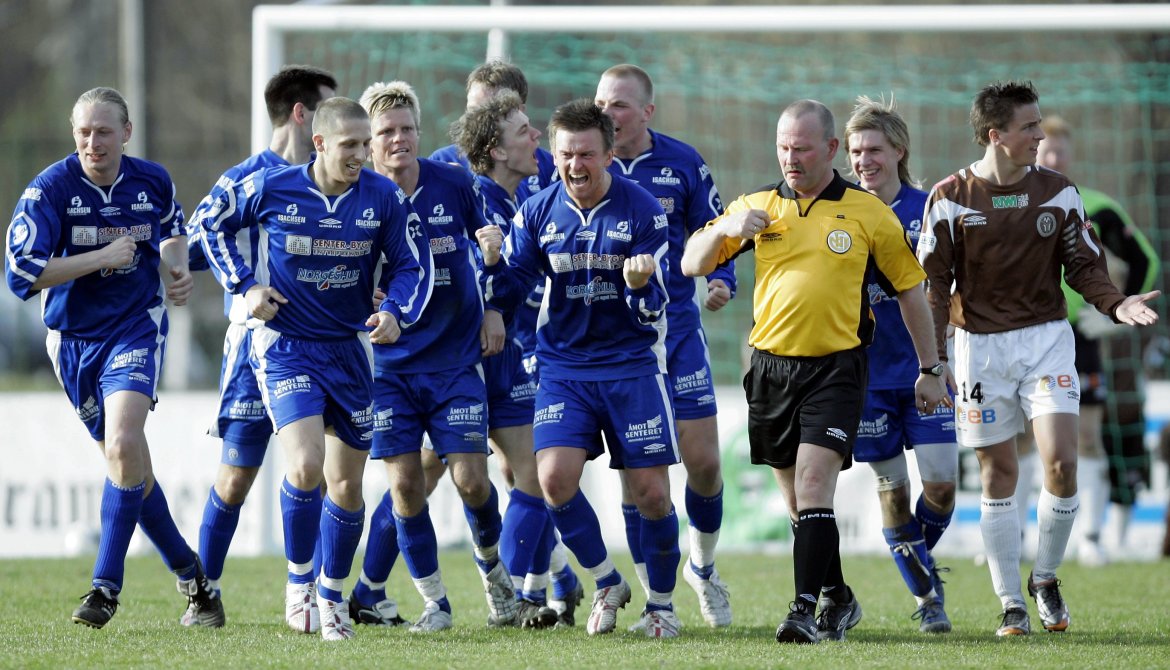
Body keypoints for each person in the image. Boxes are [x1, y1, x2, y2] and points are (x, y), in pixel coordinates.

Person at [681, 99, 949, 645]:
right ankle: (839, 598)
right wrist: (729, 226)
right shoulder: (757, 205)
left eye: (801, 148)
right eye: (783, 148)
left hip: (837, 369)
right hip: (770, 369)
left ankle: (804, 609)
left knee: (812, 484)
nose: (791, 158)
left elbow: (910, 294)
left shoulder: (868, 212)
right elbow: (692, 262)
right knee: (797, 502)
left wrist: (931, 367)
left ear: (830, 149)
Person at [917, 80, 1160, 637]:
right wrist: (932, 364)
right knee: (998, 473)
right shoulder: (950, 197)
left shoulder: (1058, 191)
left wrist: (1116, 305)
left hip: (1047, 338)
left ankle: (1045, 577)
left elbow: (1085, 266)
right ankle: (1011, 604)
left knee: (1061, 463)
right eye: (1029, 126)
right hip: (978, 349)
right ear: (995, 134)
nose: (1039, 134)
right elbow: (932, 287)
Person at [200, 96, 432, 640]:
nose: (361, 154)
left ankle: (331, 594)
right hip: (286, 345)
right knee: (305, 467)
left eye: (365, 144)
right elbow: (208, 222)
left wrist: (395, 313)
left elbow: (411, 264)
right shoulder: (271, 186)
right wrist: (245, 286)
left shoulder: (383, 197)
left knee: (347, 485)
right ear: (320, 143)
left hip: (349, 350)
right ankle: (299, 586)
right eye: (350, 145)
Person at [5, 86, 218, 629]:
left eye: (104, 131)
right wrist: (98, 256)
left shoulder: (153, 181)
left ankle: (104, 588)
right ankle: (195, 579)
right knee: (130, 468)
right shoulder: (50, 190)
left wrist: (175, 268)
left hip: (135, 329)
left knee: (124, 444)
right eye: (83, 132)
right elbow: (21, 276)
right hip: (73, 341)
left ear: (126, 133)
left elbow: (174, 234)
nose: (93, 142)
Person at [476, 99, 683, 638]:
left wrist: (640, 286)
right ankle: (606, 581)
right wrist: (495, 266)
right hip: (564, 367)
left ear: (610, 154)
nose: (574, 165)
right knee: (553, 479)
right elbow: (512, 289)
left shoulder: (643, 211)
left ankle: (661, 607)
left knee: (652, 494)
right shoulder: (536, 211)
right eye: (565, 154)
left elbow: (661, 302)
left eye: (586, 154)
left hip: (632, 365)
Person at [356, 81, 515, 633]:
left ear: (418, 133)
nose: (397, 139)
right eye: (385, 132)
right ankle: (434, 603)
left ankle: (496, 576)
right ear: (369, 143)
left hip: (453, 361)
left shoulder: (453, 182)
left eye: (405, 129)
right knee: (404, 486)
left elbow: (494, 251)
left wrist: (493, 291)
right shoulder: (359, 198)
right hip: (390, 368)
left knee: (472, 479)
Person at [184, 64, 339, 631]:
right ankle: (205, 594)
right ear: (302, 115)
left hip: (326, 345)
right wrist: (243, 285)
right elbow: (199, 237)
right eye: (327, 109)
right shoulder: (248, 177)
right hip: (256, 349)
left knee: (322, 470)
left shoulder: (338, 180)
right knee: (236, 476)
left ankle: (317, 592)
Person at [594, 64, 735, 629]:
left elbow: (717, 230)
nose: (608, 113)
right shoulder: (583, 163)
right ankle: (656, 594)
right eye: (602, 102)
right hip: (618, 342)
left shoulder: (682, 161)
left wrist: (723, 280)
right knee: (640, 477)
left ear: (647, 112)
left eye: (620, 105)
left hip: (675, 331)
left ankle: (701, 567)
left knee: (702, 462)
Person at [451, 90, 585, 628]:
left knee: (531, 474)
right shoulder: (470, 199)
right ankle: (366, 591)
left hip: (513, 356)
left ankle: (529, 591)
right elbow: (455, 276)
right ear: (495, 149)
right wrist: (488, 295)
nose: (537, 139)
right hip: (461, 360)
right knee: (424, 478)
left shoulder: (520, 200)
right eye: (525, 132)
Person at [844, 96, 955, 634]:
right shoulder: (838, 212)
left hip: (924, 372)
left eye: (874, 149)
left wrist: (943, 358)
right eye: (855, 150)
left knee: (943, 485)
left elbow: (951, 288)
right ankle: (928, 597)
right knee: (892, 490)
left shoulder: (928, 208)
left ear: (899, 151)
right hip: (865, 380)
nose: (864, 160)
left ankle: (913, 559)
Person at [1031, 114, 1160, 565]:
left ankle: (1089, 537)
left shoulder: (1097, 206)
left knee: (1085, 437)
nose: (1052, 156)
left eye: (1060, 149)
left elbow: (1145, 259)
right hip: (1024, 334)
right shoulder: (1013, 201)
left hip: (1079, 337)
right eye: (1044, 148)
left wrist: (1116, 314)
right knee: (1025, 439)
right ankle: (1030, 532)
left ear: (1071, 155)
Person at [430, 59, 555, 198]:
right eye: (473, 111)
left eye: (493, 111)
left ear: (520, 110)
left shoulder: (548, 166)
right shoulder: (442, 162)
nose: (480, 119)